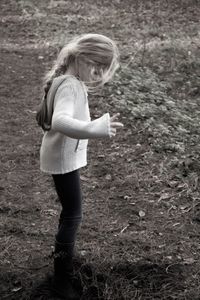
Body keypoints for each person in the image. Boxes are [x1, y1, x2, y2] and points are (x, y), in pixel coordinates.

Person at [36, 33, 124, 300]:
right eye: (96, 67)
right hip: (62, 160)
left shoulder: (67, 81)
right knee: (73, 215)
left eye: (103, 71)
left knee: (70, 212)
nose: (98, 75)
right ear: (82, 57)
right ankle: (61, 279)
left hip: (61, 157)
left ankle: (63, 269)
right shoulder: (71, 85)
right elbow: (61, 121)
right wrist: (94, 128)